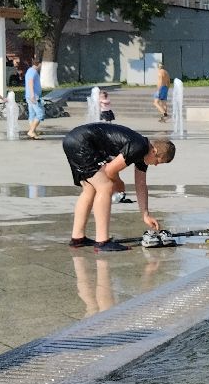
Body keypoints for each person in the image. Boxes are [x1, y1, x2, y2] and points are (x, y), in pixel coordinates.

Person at [63, 122, 175, 250]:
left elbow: (141, 184)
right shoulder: (138, 147)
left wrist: (145, 215)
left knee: (90, 189)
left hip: (74, 139)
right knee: (105, 186)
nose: (155, 165)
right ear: (154, 151)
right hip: (82, 142)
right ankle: (102, 241)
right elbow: (110, 171)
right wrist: (119, 183)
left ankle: (78, 238)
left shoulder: (143, 153)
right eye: (157, 162)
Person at [23, 60, 44, 139]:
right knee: (40, 114)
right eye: (41, 65)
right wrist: (32, 95)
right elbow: (30, 82)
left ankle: (33, 131)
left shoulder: (30, 70)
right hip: (33, 96)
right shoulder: (33, 72)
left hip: (30, 96)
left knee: (32, 114)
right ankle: (31, 131)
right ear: (39, 64)